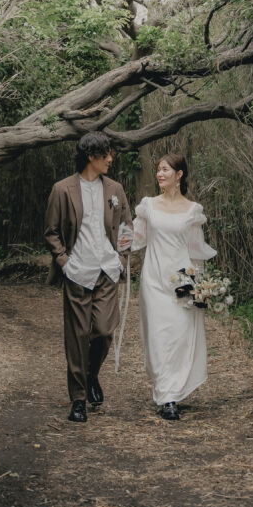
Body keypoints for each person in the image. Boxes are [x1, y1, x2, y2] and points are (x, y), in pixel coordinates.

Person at [44, 132, 132, 423]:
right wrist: (64, 262)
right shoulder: (62, 189)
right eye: (106, 154)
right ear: (91, 157)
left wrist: (121, 259)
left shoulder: (115, 189)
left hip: (107, 270)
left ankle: (92, 374)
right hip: (78, 273)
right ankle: (78, 399)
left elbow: (126, 229)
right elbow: (52, 232)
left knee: (104, 331)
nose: (110, 159)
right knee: (77, 337)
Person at [123, 151, 216, 420]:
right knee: (158, 337)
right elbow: (136, 239)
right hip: (154, 279)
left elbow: (196, 251)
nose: (160, 174)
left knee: (178, 337)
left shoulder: (192, 210)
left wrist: (201, 287)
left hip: (182, 279)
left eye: (165, 170)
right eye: (158, 170)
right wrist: (119, 239)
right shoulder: (148, 205)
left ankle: (172, 393)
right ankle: (166, 396)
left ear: (179, 175)